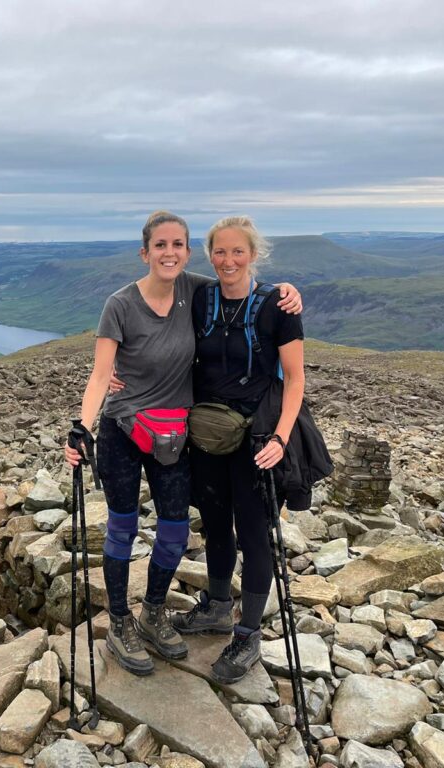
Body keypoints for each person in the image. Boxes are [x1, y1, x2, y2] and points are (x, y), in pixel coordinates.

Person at [65, 210, 301, 676]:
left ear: (188, 253)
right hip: (123, 430)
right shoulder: (120, 303)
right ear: (145, 252)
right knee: (122, 526)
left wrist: (289, 290)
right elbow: (99, 374)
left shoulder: (197, 288)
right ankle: (119, 621)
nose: (169, 253)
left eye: (178, 245)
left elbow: (251, 286)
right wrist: (81, 426)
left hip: (175, 435)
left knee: (175, 529)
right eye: (161, 245)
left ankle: (153, 610)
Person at [169, 215, 305, 685]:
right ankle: (219, 608)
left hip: (256, 436)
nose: (228, 260)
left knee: (254, 532)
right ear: (210, 255)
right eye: (220, 252)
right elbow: (153, 321)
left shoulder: (278, 306)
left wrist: (281, 438)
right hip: (207, 433)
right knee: (215, 522)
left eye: (238, 252)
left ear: (254, 254)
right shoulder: (201, 296)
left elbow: (295, 379)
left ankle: (248, 635)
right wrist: (122, 370)